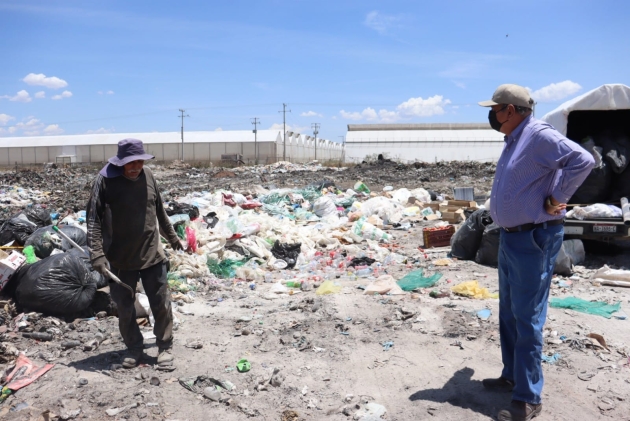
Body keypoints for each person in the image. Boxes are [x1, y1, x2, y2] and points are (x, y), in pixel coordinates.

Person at [478, 85, 594, 421]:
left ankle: (529, 397)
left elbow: (582, 160)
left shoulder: (539, 134)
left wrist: (557, 196)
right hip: (511, 237)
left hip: (533, 238)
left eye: (496, 109)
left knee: (527, 316)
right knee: (509, 312)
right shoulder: (514, 139)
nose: (492, 115)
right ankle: (511, 376)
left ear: (511, 111)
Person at [86, 139, 184, 369]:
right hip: (120, 259)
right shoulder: (105, 180)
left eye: (140, 161)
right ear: (120, 162)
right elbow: (93, 219)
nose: (136, 167)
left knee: (160, 303)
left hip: (152, 254)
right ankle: (134, 348)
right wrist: (97, 255)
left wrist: (172, 237)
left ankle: (165, 347)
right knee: (125, 308)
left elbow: (159, 210)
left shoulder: (148, 176)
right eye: (131, 163)